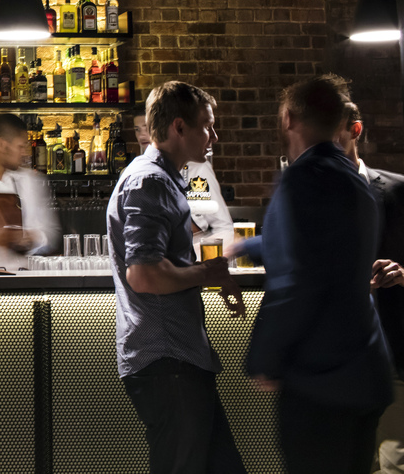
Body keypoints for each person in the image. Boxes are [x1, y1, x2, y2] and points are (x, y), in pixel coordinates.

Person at [239, 76, 392, 474]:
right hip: (365, 370)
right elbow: (329, 248)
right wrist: (246, 246)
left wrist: (264, 359)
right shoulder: (354, 180)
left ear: (289, 118)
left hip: (322, 382)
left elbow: (297, 283)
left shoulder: (302, 179)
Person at [107, 81, 247, 474]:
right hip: (166, 358)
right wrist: (208, 271)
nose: (214, 136)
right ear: (179, 128)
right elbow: (145, 274)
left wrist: (210, 272)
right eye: (207, 126)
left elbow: (183, 250)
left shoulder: (174, 178)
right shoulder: (149, 181)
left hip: (180, 356)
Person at [335, 99, 404, 473]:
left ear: (354, 131)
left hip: (394, 357)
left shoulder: (397, 191)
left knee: (394, 465)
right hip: (339, 367)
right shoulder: (312, 200)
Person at [0, 112, 59, 269]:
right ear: (2, 145)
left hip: (23, 281)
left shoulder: (30, 181)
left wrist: (29, 237)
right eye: (21, 147)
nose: (26, 153)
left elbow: (51, 235)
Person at [135, 114, 234, 254]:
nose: (141, 135)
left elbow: (223, 227)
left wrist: (201, 259)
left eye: (146, 128)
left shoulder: (196, 170)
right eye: (137, 129)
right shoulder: (134, 174)